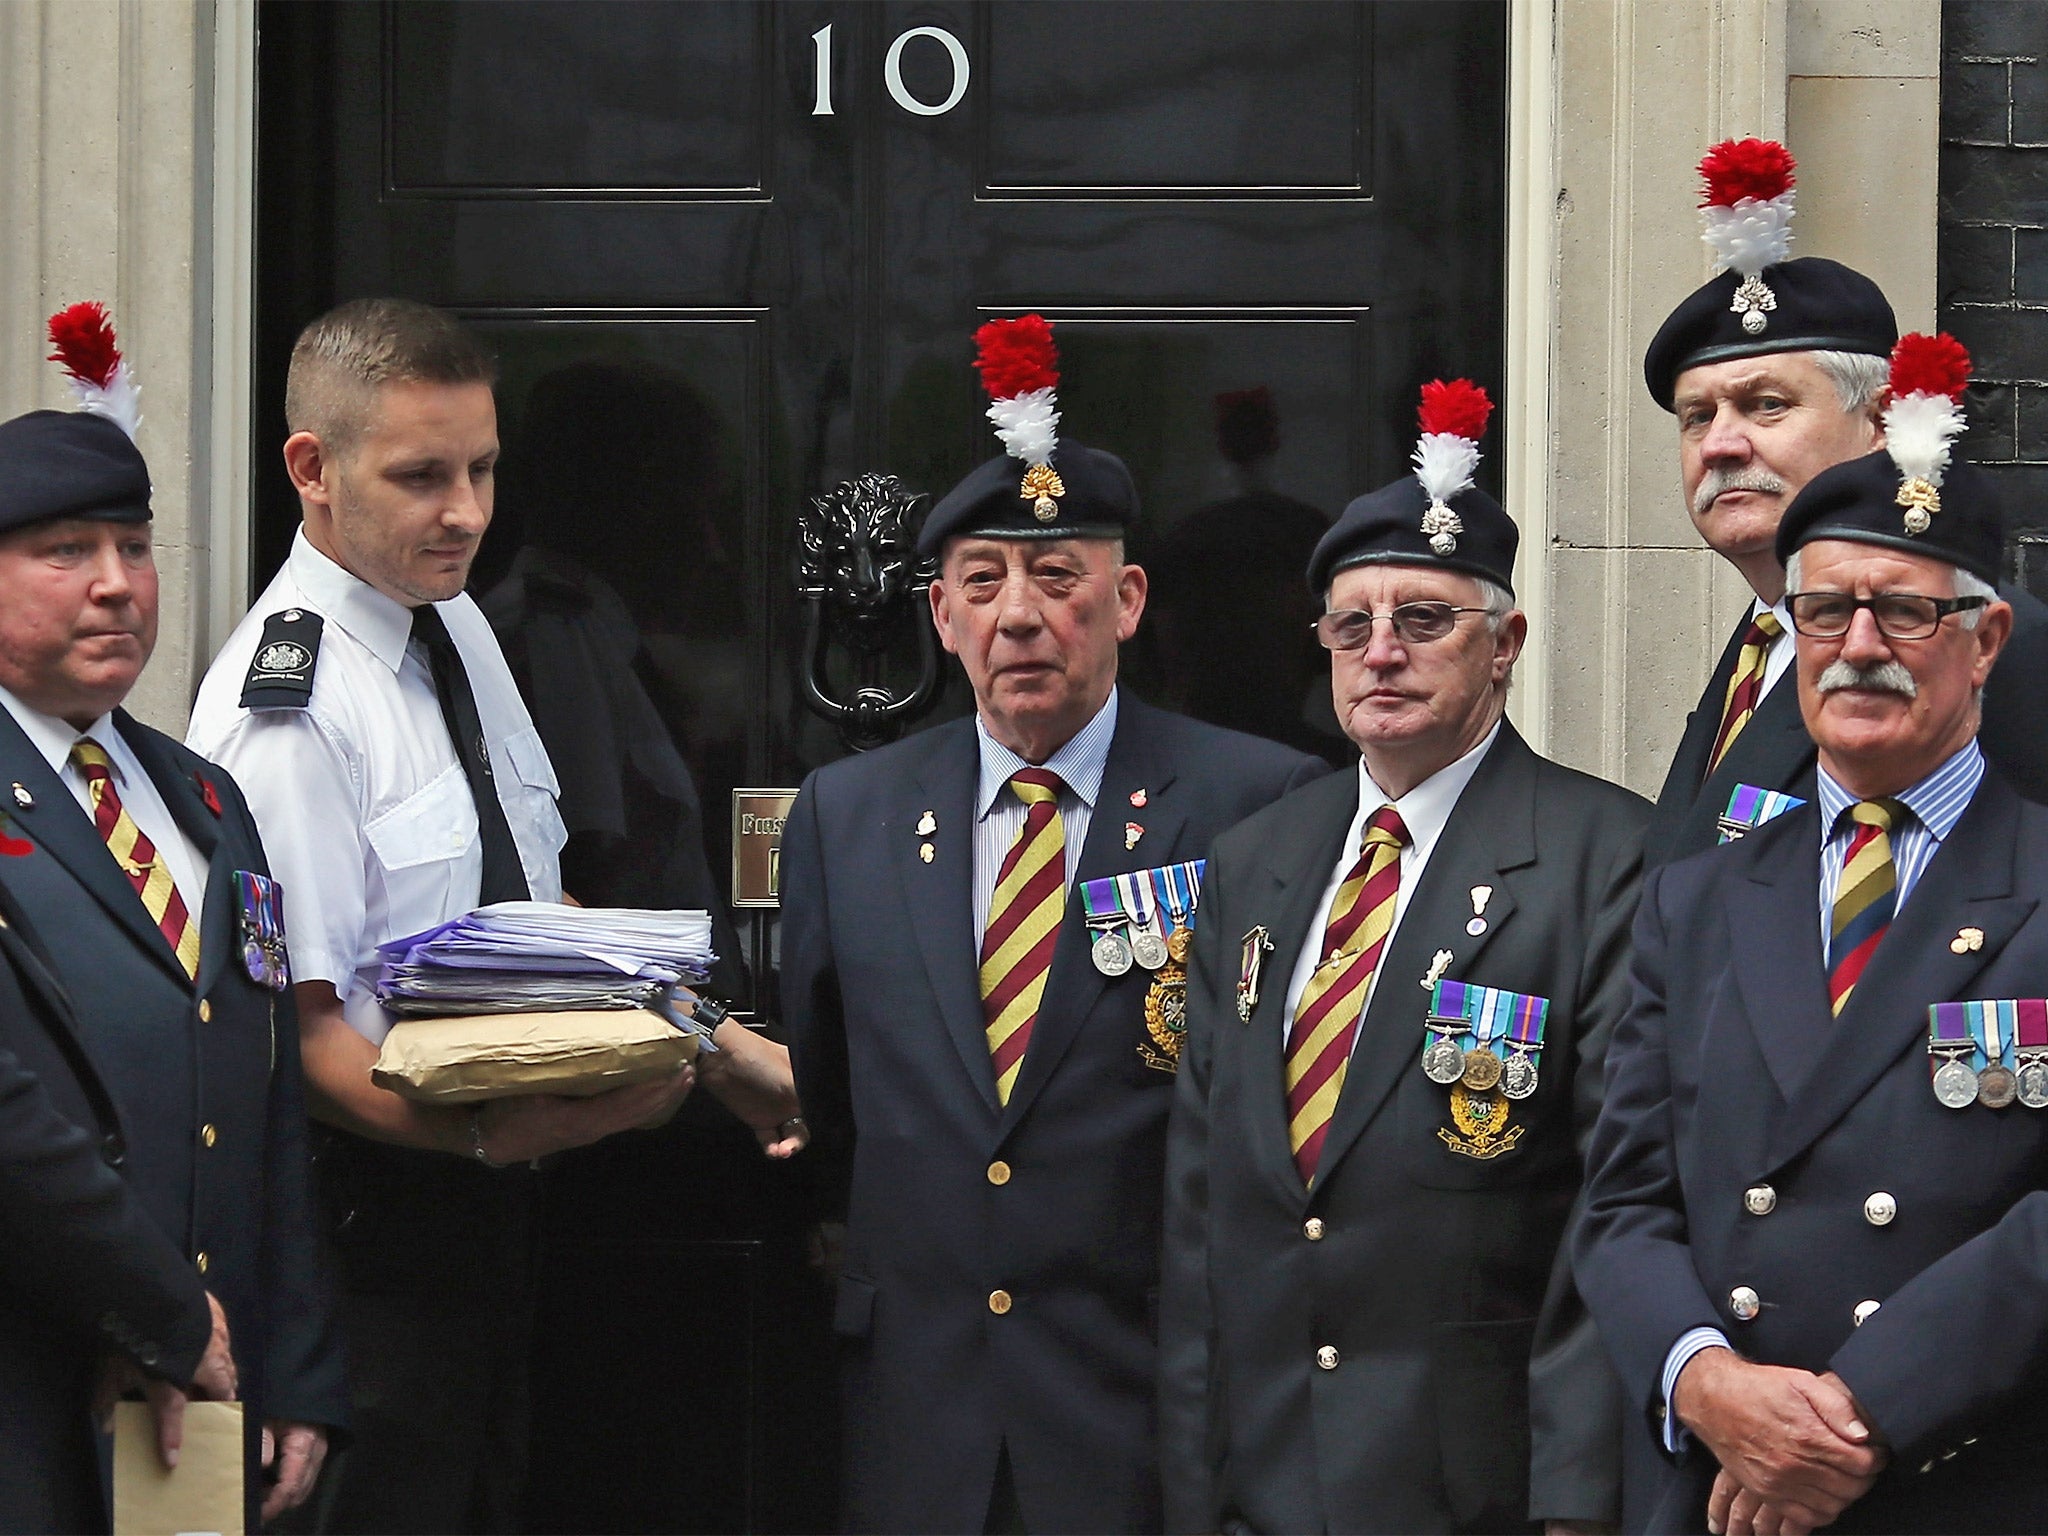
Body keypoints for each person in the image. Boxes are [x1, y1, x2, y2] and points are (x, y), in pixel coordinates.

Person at [186, 297, 801, 1533]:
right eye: (420, 476)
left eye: (480, 469)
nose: (465, 511)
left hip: (496, 1226)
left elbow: (533, 903)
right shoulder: (286, 709)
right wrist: (489, 1143)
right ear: (312, 468)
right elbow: (301, 1044)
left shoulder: (456, 624)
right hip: (374, 1253)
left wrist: (721, 1050)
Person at [782, 315, 1326, 1534]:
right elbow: (833, 1097)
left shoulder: (1256, 802)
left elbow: (1275, 1110)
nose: (1018, 616)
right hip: (914, 1405)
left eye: (1056, 578)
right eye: (982, 583)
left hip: (1139, 1403)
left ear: (1126, 599)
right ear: (939, 615)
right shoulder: (847, 814)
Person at [1575, 342, 2048, 1533]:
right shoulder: (1698, 898)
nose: (1857, 646)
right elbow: (1621, 1203)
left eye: (1903, 610)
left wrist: (1858, 1413)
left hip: (1961, 1477)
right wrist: (1705, 1381)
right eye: (1823, 611)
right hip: (1715, 1487)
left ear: (1983, 641)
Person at [1158, 380, 1643, 1534]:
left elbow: (1610, 1207)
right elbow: (1198, 1206)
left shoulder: (1604, 859)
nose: (1379, 653)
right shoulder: (1252, 860)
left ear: (1504, 644)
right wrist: (1190, 1478)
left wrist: (1573, 1501)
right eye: (1348, 624)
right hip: (1257, 1481)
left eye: (1422, 621)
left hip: (1469, 1485)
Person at [0, 308, 344, 1529]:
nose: (113, 584)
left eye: (133, 548)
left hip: (208, 1401)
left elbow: (265, 1097)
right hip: (41, 1389)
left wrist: (296, 1365)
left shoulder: (203, 795)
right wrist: (156, 1312)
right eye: (62, 551)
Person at [1638, 139, 2048, 866]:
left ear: (1880, 422)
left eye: (1766, 405)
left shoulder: (1982, 647)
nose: (1720, 445)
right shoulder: (1763, 641)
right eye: (1697, 416)